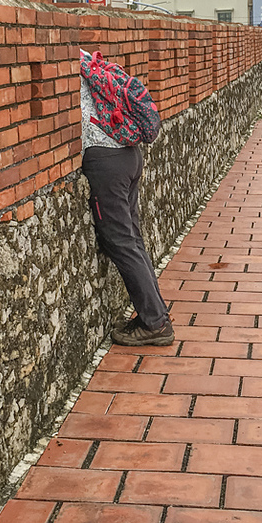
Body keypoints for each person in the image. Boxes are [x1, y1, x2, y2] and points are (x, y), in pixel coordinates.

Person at [80, 50, 174, 347]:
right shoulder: (86, 59)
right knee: (133, 239)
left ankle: (155, 323)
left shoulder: (60, 61)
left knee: (121, 241)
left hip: (106, 160)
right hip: (129, 154)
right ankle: (155, 314)